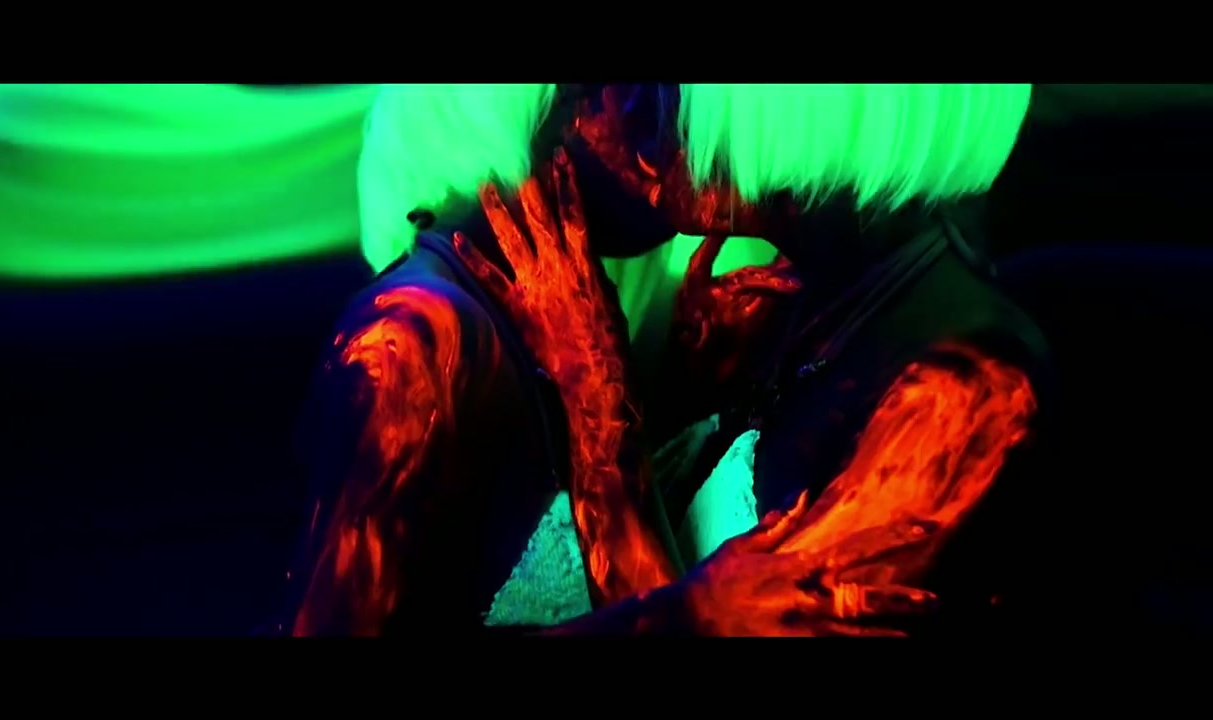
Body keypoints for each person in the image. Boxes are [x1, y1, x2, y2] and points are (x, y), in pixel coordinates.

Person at [286, 84, 940, 636]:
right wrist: (688, 614)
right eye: (619, 92)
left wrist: (669, 401)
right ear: (526, 112)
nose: (671, 126)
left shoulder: (552, 324)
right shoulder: (412, 343)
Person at [550, 84, 1051, 633]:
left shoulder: (965, 399)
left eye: (673, 96)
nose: (617, 111)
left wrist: (597, 409)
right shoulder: (798, 300)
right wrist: (677, 393)